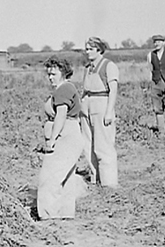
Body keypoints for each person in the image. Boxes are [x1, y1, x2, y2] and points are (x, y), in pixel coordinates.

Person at [37, 56, 84, 220]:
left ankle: (49, 216)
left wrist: (52, 140)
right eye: (48, 74)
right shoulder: (64, 88)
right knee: (65, 177)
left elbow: (61, 116)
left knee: (49, 177)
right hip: (69, 133)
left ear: (63, 73)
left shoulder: (63, 89)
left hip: (65, 134)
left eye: (54, 74)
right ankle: (64, 213)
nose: (50, 77)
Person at [80, 37, 119, 188]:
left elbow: (113, 90)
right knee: (87, 144)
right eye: (86, 49)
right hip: (87, 106)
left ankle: (109, 183)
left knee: (103, 145)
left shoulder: (108, 66)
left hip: (102, 104)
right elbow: (85, 89)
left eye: (90, 49)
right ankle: (95, 178)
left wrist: (109, 112)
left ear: (99, 49)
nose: (87, 52)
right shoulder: (88, 68)